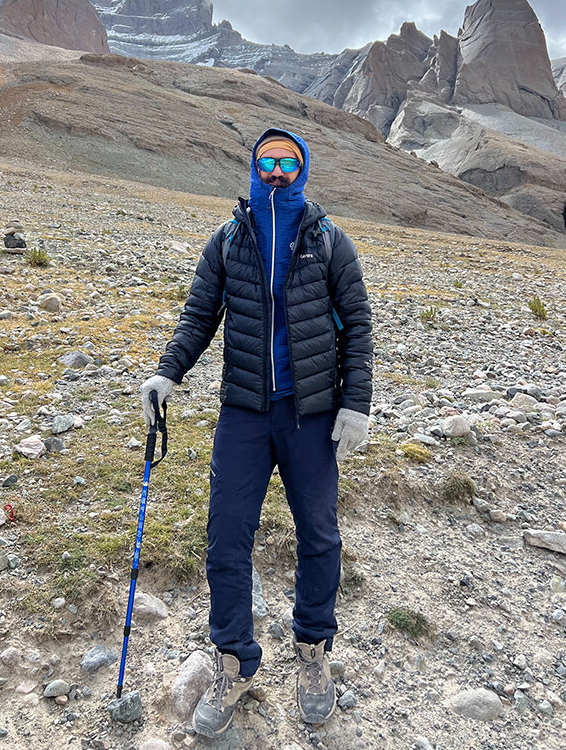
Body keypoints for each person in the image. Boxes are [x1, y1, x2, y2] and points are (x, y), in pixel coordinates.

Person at [141, 128, 372, 738]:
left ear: (301, 171)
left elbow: (358, 327)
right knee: (225, 542)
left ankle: (313, 651)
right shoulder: (229, 240)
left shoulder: (328, 240)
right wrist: (167, 373)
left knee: (319, 535)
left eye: (286, 163)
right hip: (244, 412)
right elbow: (199, 315)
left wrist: (357, 405)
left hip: (313, 415)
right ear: (252, 168)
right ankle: (234, 660)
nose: (275, 172)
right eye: (266, 162)